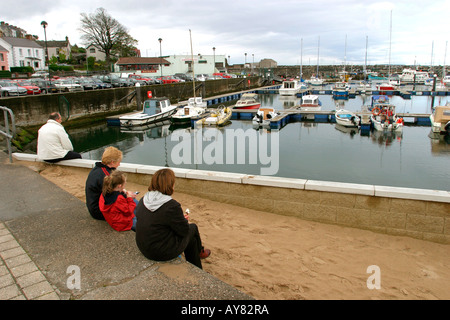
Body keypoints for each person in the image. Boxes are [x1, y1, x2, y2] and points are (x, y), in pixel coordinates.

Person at [135, 168, 211, 269]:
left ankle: (197, 259)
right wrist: (183, 220)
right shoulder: (171, 206)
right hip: (159, 252)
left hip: (143, 246)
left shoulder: (143, 199)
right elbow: (184, 231)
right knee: (192, 228)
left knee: (191, 239)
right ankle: (199, 254)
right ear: (171, 185)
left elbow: (156, 220)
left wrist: (178, 219)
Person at [85, 146, 123, 220]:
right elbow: (113, 196)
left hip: (93, 208)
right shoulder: (107, 176)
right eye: (118, 162)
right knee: (131, 203)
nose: (119, 164)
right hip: (99, 212)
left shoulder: (97, 169)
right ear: (112, 162)